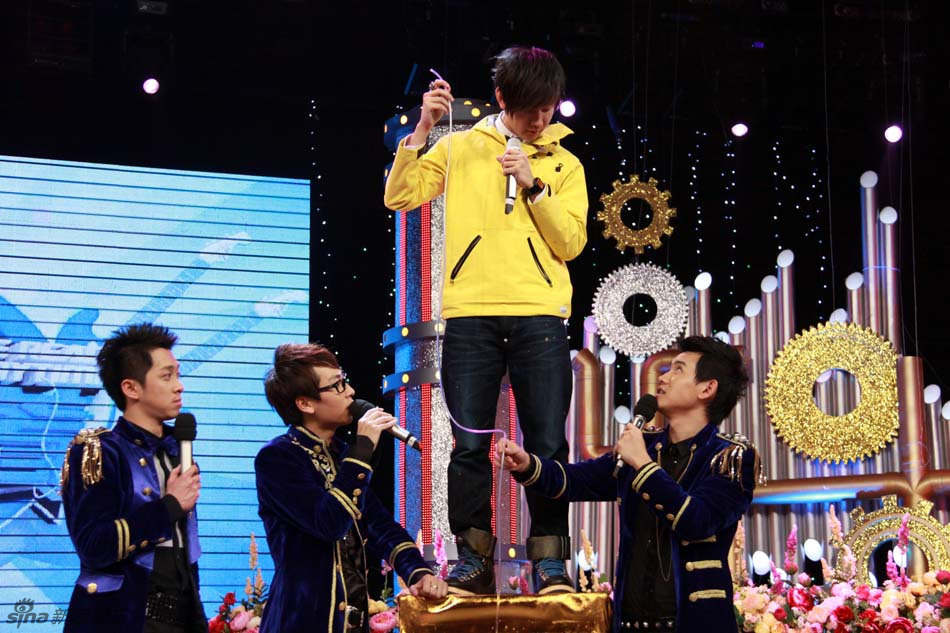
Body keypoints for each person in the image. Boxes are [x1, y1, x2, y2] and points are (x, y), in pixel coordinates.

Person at [383, 45, 588, 596]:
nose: (539, 119)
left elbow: (571, 243)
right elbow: (399, 196)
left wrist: (534, 185)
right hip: (471, 313)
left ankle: (550, 562)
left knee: (547, 443)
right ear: (501, 98)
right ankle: (472, 558)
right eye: (528, 108)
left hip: (540, 314)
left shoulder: (565, 164)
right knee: (469, 444)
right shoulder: (458, 148)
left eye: (548, 107)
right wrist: (422, 129)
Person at [500, 336, 765, 633]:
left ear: (707, 388)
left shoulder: (730, 457)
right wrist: (527, 464)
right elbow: (575, 480)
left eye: (678, 370)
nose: (663, 377)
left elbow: (697, 521)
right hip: (629, 624)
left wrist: (643, 464)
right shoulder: (644, 446)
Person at [254, 343, 448, 633]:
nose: (350, 392)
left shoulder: (342, 455)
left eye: (344, 381)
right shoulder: (278, 458)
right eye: (337, 386)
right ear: (305, 404)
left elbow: (379, 525)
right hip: (301, 622)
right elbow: (328, 522)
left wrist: (417, 572)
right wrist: (361, 451)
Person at [60, 323, 204, 633]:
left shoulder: (178, 451)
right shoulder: (98, 452)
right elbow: (93, 545)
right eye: (167, 376)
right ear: (131, 388)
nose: (179, 386)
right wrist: (169, 506)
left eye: (178, 375)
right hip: (119, 618)